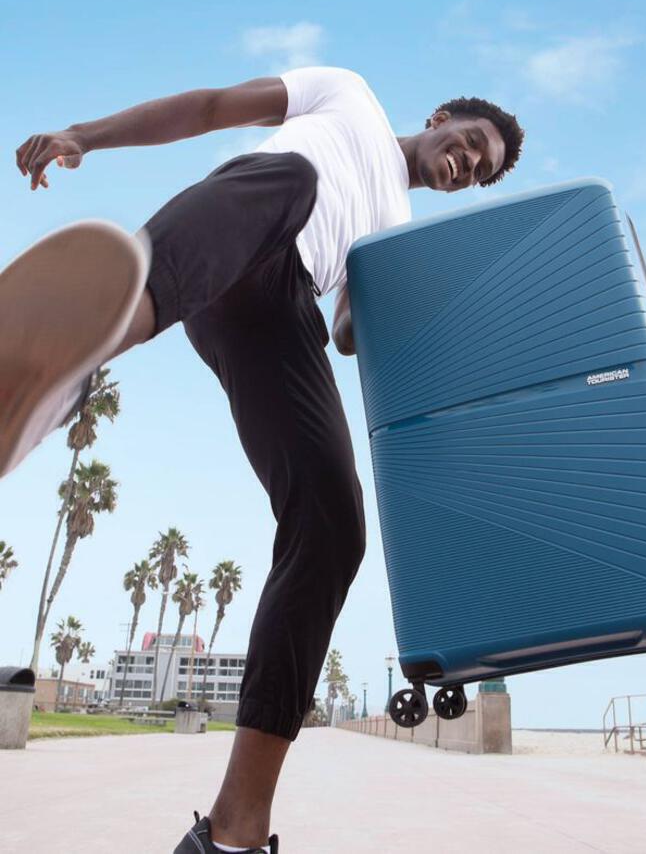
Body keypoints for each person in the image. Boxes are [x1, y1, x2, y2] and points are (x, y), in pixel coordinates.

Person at [3, 66, 524, 853]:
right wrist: (86, 135)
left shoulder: (392, 236)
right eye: (471, 143)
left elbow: (350, 334)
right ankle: (58, 376)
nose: (466, 164)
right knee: (288, 180)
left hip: (277, 305)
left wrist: (424, 298)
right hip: (249, 208)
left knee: (333, 527)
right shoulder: (349, 94)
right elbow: (211, 108)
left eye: (478, 171)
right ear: (443, 115)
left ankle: (232, 830)